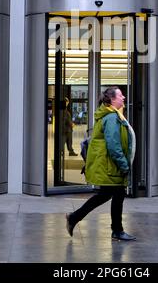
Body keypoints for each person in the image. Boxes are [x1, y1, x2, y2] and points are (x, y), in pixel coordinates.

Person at [65, 86, 136, 241]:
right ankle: (116, 230)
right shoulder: (111, 118)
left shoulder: (113, 115)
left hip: (109, 165)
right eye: (120, 95)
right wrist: (124, 165)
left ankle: (75, 218)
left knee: (107, 195)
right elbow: (113, 145)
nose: (123, 98)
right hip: (111, 166)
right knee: (115, 195)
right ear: (112, 100)